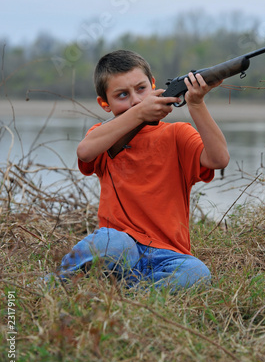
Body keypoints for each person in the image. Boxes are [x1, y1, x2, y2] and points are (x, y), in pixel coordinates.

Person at [52, 50, 230, 291]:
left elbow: (219, 158)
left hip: (167, 255)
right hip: (119, 246)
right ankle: (56, 283)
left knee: (197, 272)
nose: (135, 100)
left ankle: (130, 292)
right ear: (104, 103)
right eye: (122, 95)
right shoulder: (105, 135)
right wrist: (139, 113)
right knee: (113, 243)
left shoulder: (178, 133)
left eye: (141, 89)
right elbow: (85, 151)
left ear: (154, 84)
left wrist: (196, 103)